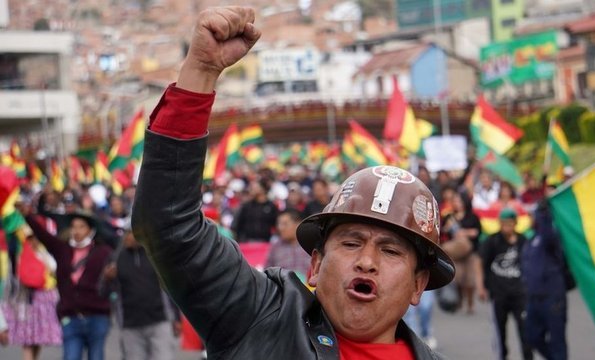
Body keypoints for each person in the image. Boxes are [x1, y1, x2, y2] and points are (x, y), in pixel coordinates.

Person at [131, 7, 464, 358]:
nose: (367, 261)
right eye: (351, 243)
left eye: (391, 250)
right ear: (316, 264)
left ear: (418, 284)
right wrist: (200, 71)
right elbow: (167, 224)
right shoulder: (259, 315)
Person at [23, 208, 113, 360]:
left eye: (81, 227)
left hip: (97, 316)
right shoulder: (62, 250)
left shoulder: (103, 252)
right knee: (71, 356)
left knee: (96, 356)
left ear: (91, 230)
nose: (76, 231)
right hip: (71, 317)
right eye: (74, 227)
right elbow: (43, 235)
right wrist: (27, 215)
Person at [99, 225, 180, 360]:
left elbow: (170, 288)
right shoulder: (115, 258)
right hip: (130, 325)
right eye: (126, 234)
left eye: (132, 233)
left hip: (159, 321)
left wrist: (176, 318)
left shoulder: (155, 256)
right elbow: (102, 292)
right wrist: (106, 279)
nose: (128, 237)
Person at [475, 208, 532, 360]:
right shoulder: (492, 241)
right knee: (500, 333)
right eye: (504, 224)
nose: (507, 227)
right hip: (498, 294)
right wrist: (480, 287)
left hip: (520, 294)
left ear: (515, 224)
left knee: (526, 331)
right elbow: (479, 261)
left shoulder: (523, 241)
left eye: (510, 224)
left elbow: (531, 264)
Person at [2, 224, 61, 360]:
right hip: (28, 298)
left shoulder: (43, 252)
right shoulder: (21, 253)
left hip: (44, 298)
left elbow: (53, 269)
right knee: (28, 341)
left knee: (37, 339)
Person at [521, 200, 568, 360]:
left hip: (552, 298)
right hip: (534, 299)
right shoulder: (531, 239)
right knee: (532, 336)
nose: (530, 218)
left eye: (532, 215)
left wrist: (543, 213)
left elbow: (547, 232)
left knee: (557, 341)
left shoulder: (550, 237)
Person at [442, 192, 481, 314]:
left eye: (459, 201)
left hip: (469, 251)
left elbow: (477, 232)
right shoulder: (450, 217)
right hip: (456, 252)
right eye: (455, 201)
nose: (457, 203)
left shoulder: (472, 217)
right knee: (457, 278)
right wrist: (447, 228)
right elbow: (444, 232)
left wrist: (464, 232)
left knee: (470, 281)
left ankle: (470, 302)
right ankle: (459, 300)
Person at [265, 209, 311, 278]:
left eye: (285, 224)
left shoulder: (310, 244)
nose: (280, 228)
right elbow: (267, 273)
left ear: (297, 224)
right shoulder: (276, 247)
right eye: (279, 224)